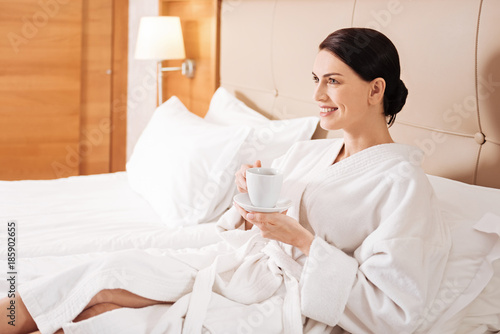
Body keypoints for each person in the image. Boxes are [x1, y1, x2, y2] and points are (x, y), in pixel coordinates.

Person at [1, 28, 451, 334]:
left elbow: (395, 310)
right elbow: (252, 225)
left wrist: (304, 242)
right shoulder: (311, 152)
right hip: (238, 266)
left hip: (281, 301)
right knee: (100, 273)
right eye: (316, 80)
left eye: (332, 81)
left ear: (375, 90)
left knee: (105, 314)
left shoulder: (403, 185)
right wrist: (245, 196)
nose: (316, 96)